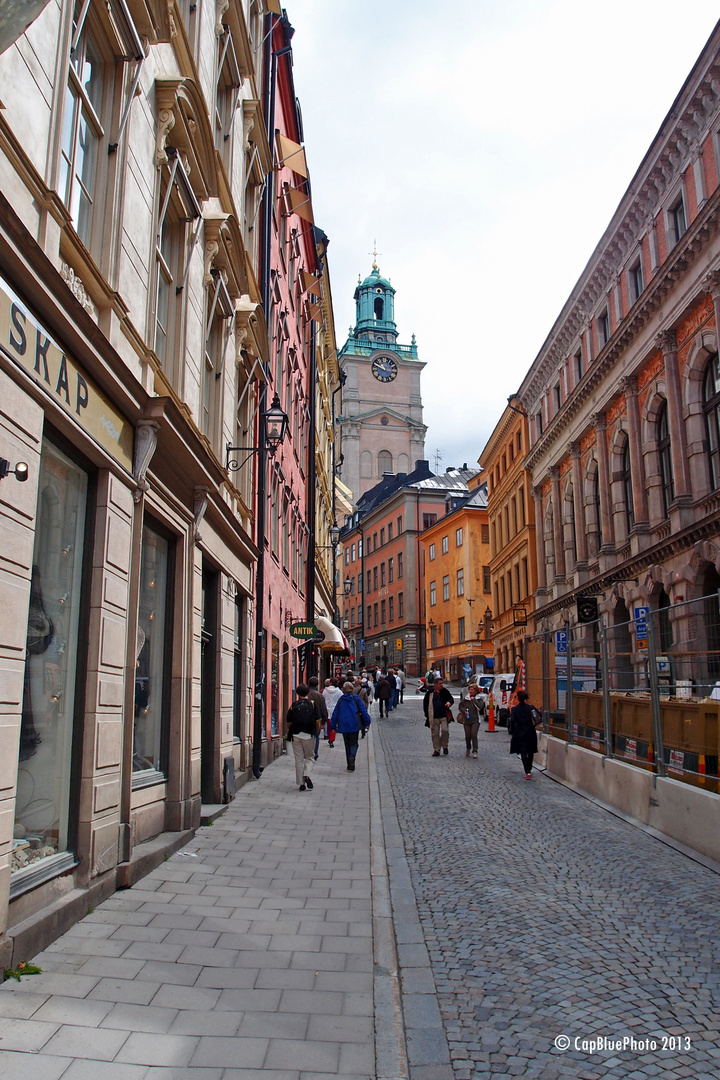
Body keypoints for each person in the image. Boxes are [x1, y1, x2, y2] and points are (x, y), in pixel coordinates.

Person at [286, 684, 320, 791]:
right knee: (310, 756)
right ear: (308, 692)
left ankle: (300, 782)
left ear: (298, 694)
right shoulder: (312, 704)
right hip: (309, 734)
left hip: (296, 734)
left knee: (298, 759)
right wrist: (316, 730)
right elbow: (318, 720)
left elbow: (288, 721)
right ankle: (307, 775)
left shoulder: (294, 705)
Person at [331, 682, 371, 771]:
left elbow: (335, 713)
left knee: (347, 744)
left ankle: (349, 763)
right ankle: (352, 757)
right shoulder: (355, 699)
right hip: (354, 724)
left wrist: (333, 726)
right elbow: (363, 711)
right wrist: (367, 722)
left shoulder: (341, 700)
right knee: (354, 743)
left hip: (344, 724)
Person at [509, 690, 539, 779]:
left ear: (517, 698)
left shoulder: (515, 709)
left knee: (523, 751)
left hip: (520, 732)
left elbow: (512, 721)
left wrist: (513, 731)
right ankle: (529, 767)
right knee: (531, 751)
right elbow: (538, 717)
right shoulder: (530, 708)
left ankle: (527, 771)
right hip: (530, 731)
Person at [423, 677, 454, 756]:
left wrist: (449, 703)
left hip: (444, 715)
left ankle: (445, 746)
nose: (441, 685)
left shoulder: (445, 691)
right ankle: (436, 749)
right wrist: (427, 715)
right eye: (440, 684)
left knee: (445, 730)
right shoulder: (430, 693)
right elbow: (425, 704)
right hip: (434, 716)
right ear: (435, 684)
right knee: (435, 734)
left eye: (442, 683)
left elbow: (451, 699)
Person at [458, 683, 483, 758]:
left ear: (476, 691)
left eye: (472, 690)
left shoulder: (479, 698)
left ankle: (475, 750)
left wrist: (474, 700)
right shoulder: (466, 699)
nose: (470, 691)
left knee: (473, 735)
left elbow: (480, 707)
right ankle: (468, 747)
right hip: (467, 720)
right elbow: (460, 706)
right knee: (468, 736)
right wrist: (464, 711)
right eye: (470, 689)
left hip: (476, 720)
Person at [307, 676, 328, 760]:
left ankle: (308, 752)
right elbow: (323, 709)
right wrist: (324, 721)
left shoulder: (306, 694)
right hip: (317, 719)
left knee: (307, 737)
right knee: (316, 737)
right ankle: (314, 753)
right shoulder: (320, 696)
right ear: (317, 685)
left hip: (306, 719)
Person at [322, 678, 343, 747]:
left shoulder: (325, 691)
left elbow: (323, 699)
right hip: (335, 709)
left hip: (327, 709)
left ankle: (328, 736)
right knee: (333, 725)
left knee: (328, 724)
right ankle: (332, 739)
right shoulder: (338, 691)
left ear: (330, 683)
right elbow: (341, 699)